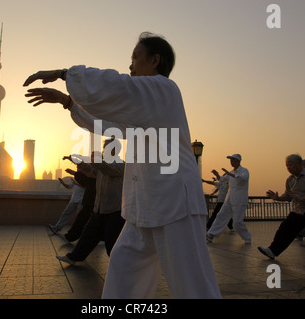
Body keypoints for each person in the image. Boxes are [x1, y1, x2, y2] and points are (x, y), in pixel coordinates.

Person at [23, 32, 221, 299]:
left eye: (135, 58)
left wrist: (64, 73)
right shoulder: (144, 108)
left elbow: (117, 87)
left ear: (155, 60)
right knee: (124, 272)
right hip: (144, 207)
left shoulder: (164, 89)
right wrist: (68, 102)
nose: (130, 66)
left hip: (176, 205)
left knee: (192, 285)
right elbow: (106, 125)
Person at [56, 138, 125, 265]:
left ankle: (121, 265)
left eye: (107, 149)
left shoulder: (120, 165)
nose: (104, 151)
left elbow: (105, 168)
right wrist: (76, 161)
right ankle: (74, 257)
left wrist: (96, 160)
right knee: (88, 235)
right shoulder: (103, 166)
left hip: (114, 211)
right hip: (99, 209)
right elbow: (89, 171)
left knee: (112, 242)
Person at [258, 154, 305, 263]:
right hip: (300, 210)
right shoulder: (290, 180)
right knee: (285, 229)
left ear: (300, 164)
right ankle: (272, 251)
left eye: (290, 165)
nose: (288, 167)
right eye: (287, 165)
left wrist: (301, 198)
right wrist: (277, 198)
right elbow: (288, 196)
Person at [206, 154, 252, 244]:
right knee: (221, 215)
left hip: (239, 199)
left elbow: (243, 178)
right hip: (229, 198)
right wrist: (217, 175)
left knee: (237, 222)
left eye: (233, 160)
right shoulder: (230, 172)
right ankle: (211, 234)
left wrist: (230, 174)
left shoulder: (244, 171)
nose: (231, 162)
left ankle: (247, 237)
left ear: (238, 161)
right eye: (230, 160)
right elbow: (223, 180)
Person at [48, 166, 85, 234]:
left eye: (79, 168)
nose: (78, 169)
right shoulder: (75, 178)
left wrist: (76, 183)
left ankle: (82, 233)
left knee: (80, 218)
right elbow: (69, 186)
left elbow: (86, 187)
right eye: (77, 168)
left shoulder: (85, 177)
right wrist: (63, 183)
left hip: (81, 200)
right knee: (65, 214)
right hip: (73, 200)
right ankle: (57, 228)